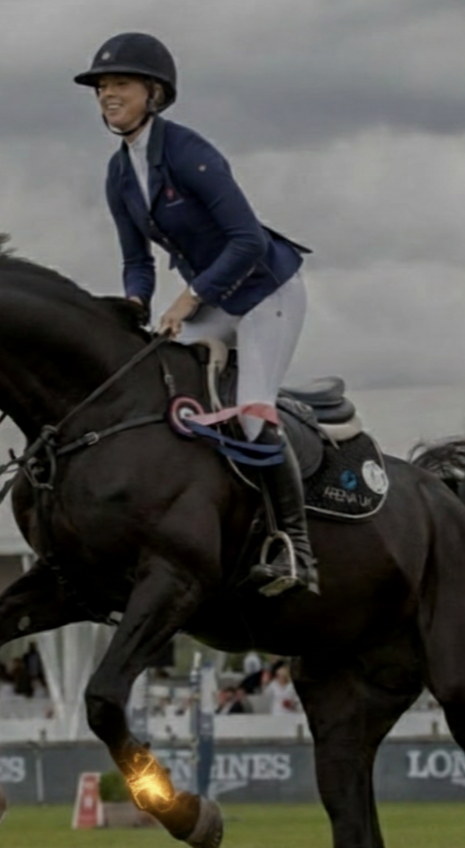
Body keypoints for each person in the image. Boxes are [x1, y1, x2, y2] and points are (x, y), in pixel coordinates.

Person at [74, 32, 317, 596]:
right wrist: (134, 304)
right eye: (102, 87)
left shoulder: (188, 153)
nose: (108, 95)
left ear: (153, 94)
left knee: (253, 416)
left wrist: (185, 300)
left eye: (120, 85)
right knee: (167, 390)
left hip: (266, 294)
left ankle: (296, 550)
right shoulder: (118, 174)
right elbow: (136, 260)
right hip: (214, 300)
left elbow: (248, 241)